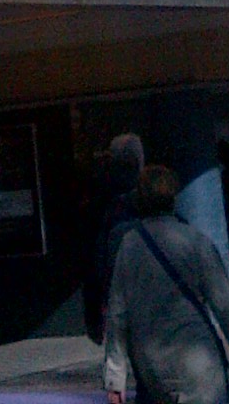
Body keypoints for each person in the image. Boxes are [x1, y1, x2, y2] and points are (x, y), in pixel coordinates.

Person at [103, 164, 229, 404]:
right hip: (199, 362)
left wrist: (115, 379)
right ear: (173, 197)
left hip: (151, 367)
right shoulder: (195, 241)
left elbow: (117, 315)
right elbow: (227, 307)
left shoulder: (129, 246)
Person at [83, 133, 146, 343]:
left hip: (118, 292)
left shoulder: (102, 202)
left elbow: (95, 263)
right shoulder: (147, 198)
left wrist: (94, 314)